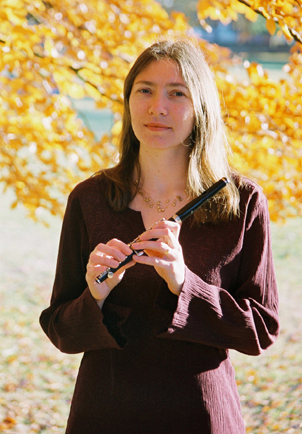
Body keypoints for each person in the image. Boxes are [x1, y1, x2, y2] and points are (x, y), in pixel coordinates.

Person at [40, 38, 279, 434]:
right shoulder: (89, 199)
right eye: (144, 90)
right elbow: (61, 331)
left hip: (202, 416)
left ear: (201, 107)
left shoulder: (242, 201)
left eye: (177, 93)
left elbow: (261, 330)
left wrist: (186, 285)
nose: (157, 107)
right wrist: (94, 297)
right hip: (104, 415)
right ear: (128, 100)